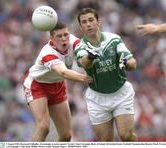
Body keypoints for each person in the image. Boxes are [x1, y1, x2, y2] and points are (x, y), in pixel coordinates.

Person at [22, 22, 93, 141]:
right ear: (52, 39)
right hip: (37, 85)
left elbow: (83, 54)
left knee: (66, 135)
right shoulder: (47, 53)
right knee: (43, 127)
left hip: (57, 85)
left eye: (66, 34)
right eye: (59, 36)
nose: (64, 38)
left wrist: (90, 57)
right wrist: (85, 78)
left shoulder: (73, 41)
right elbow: (63, 72)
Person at [74, 8, 137, 141]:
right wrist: (91, 56)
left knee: (126, 135)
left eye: (91, 20)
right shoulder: (80, 46)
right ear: (81, 27)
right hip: (98, 99)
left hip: (121, 94)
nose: (88, 24)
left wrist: (124, 61)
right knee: (106, 141)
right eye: (84, 22)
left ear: (98, 22)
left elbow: (133, 64)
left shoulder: (114, 39)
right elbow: (85, 63)